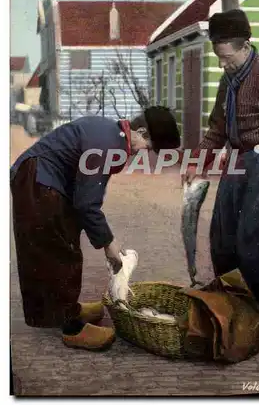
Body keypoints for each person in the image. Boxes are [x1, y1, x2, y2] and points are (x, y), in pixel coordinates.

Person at [182, 9, 259, 348]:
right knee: (223, 242)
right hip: (238, 167)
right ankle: (241, 313)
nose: (223, 65)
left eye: (226, 58)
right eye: (218, 59)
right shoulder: (229, 80)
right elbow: (217, 129)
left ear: (243, 46)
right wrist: (198, 163)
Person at [10, 106, 180, 351]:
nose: (146, 153)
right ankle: (72, 329)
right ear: (141, 132)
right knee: (58, 251)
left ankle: (69, 309)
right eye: (149, 146)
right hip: (38, 180)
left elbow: (85, 197)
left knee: (64, 241)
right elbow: (87, 203)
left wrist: (102, 239)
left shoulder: (111, 135)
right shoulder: (108, 145)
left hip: (43, 179)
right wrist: (108, 243)